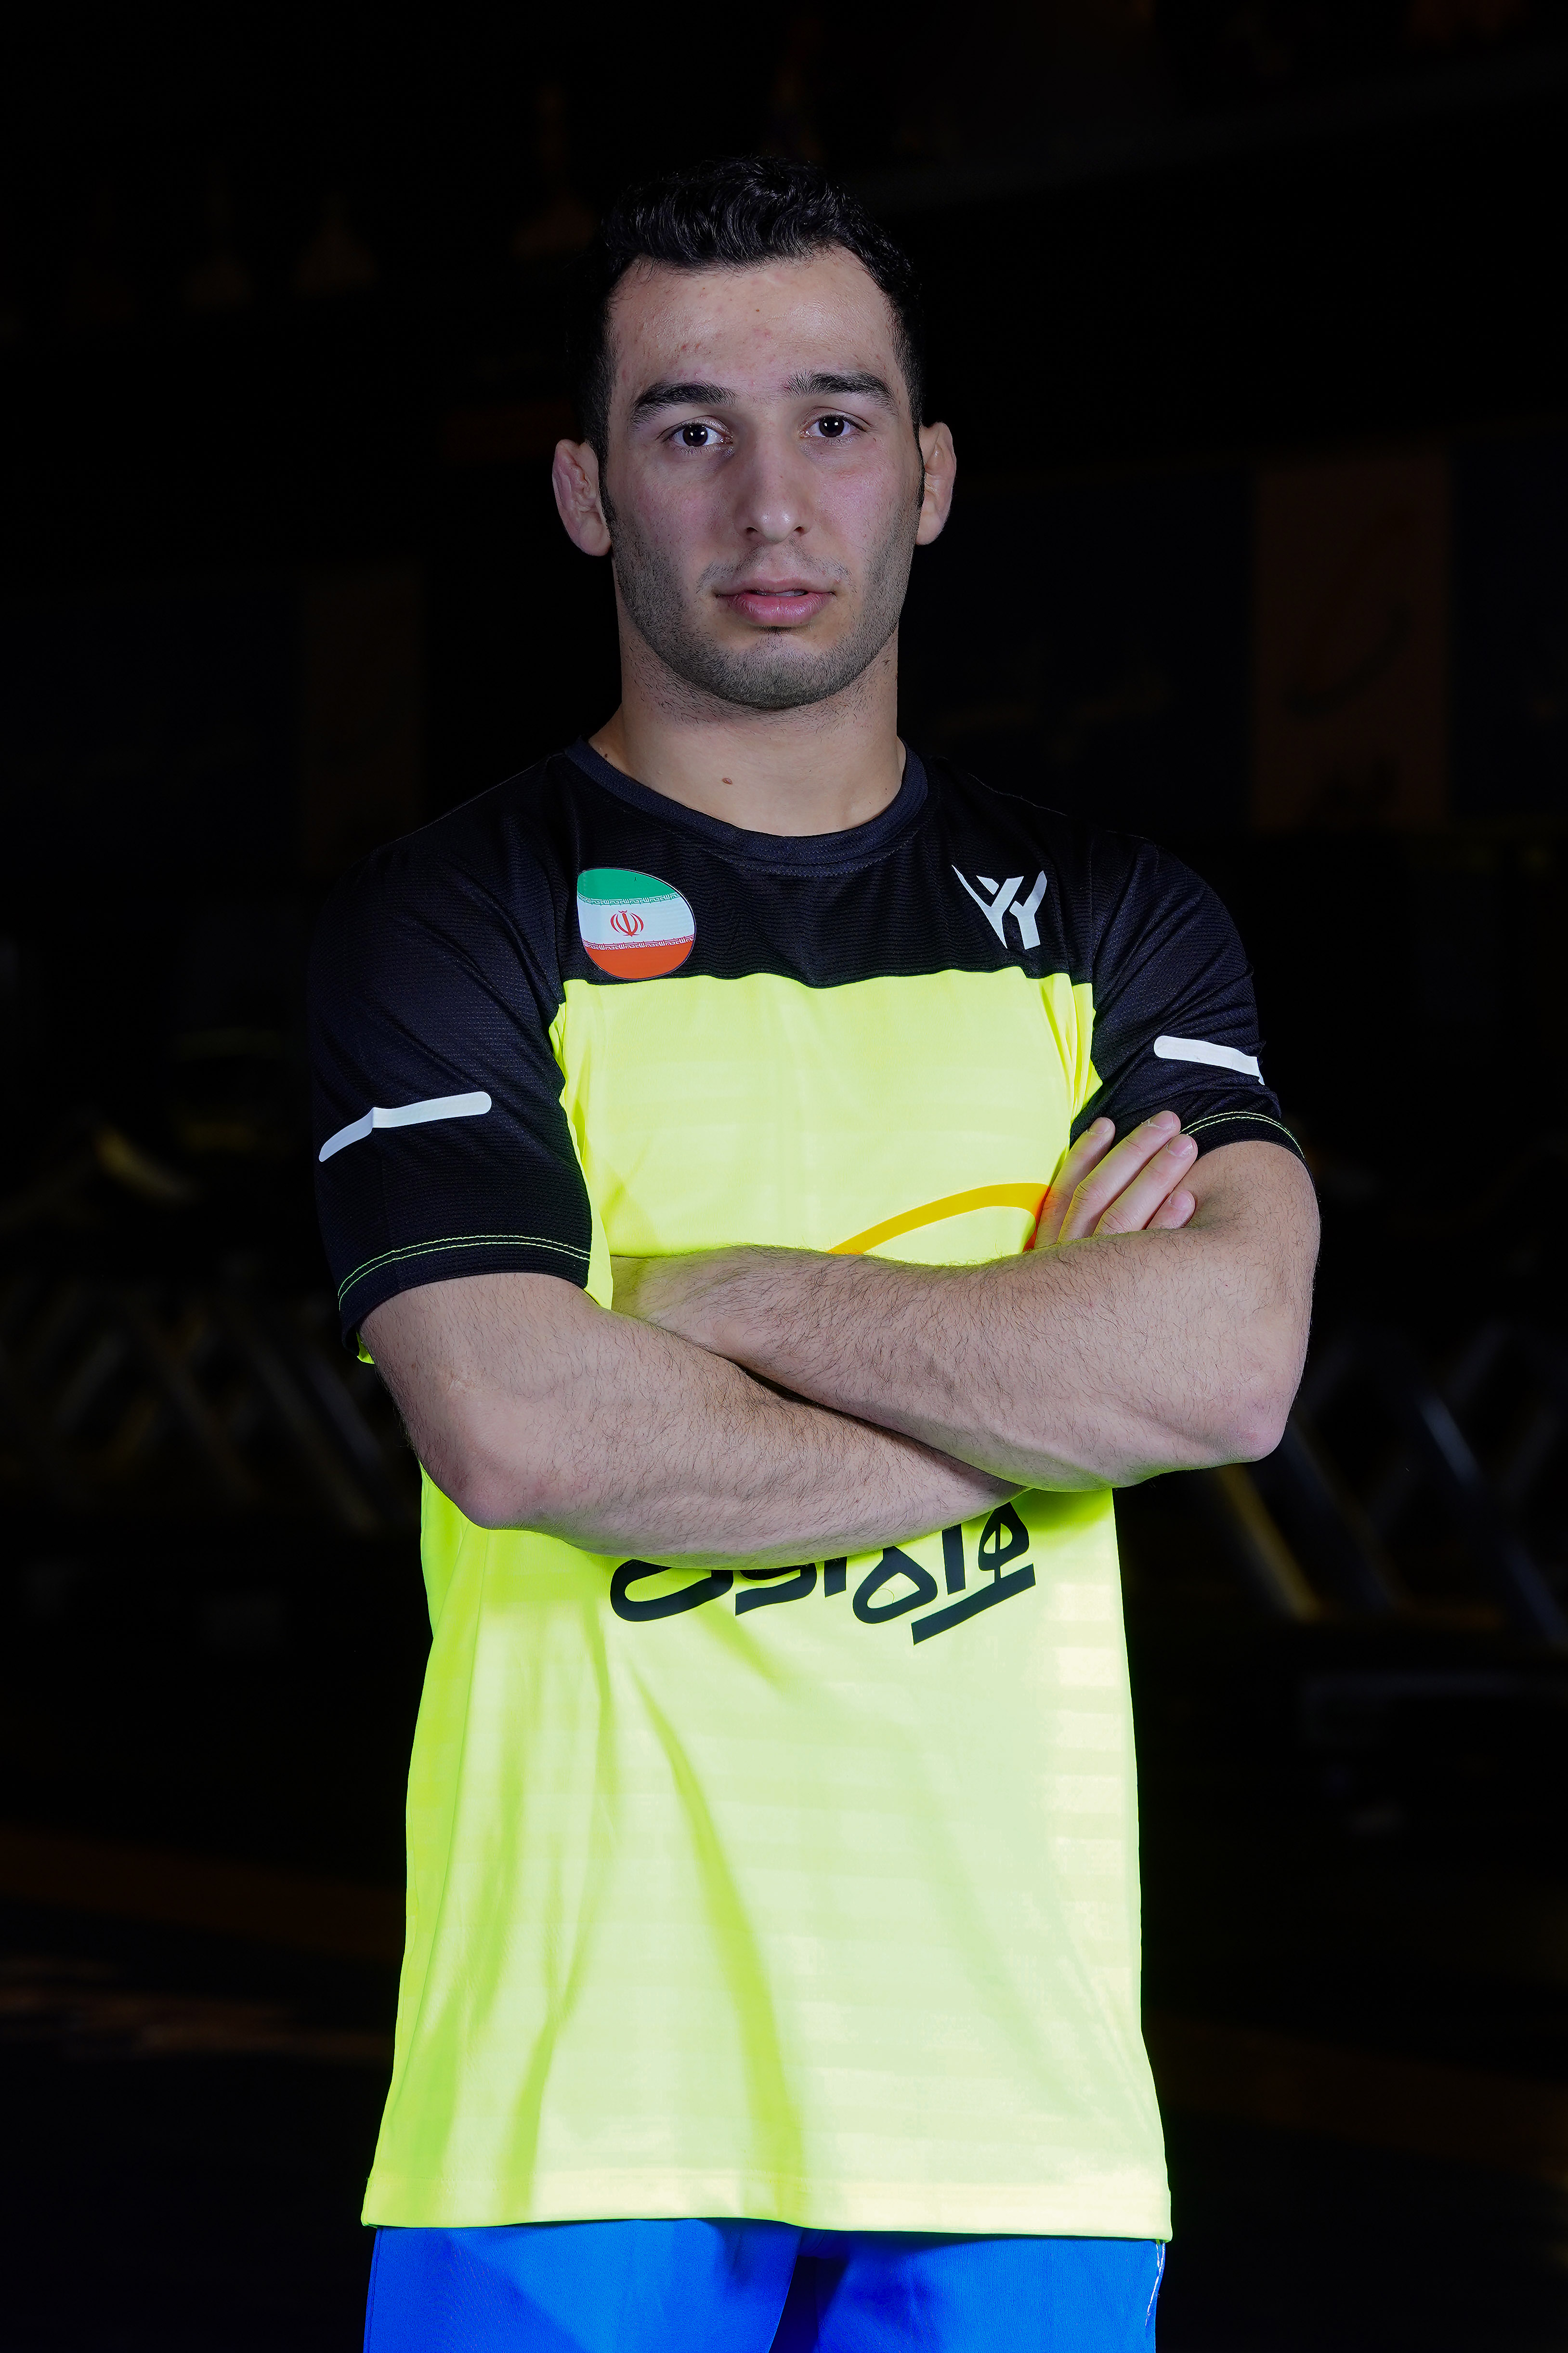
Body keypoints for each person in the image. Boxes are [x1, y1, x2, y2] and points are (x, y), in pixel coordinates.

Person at [310, 155, 1318, 2353]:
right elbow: (515, 1425)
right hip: (571, 2111)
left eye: (834, 420)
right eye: (690, 427)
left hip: (1019, 2118)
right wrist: (1046, 1403)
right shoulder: (454, 916)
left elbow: (1232, 1364)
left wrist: (713, 1302)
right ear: (585, 490)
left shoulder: (1115, 925)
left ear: (928, 477)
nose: (771, 500)